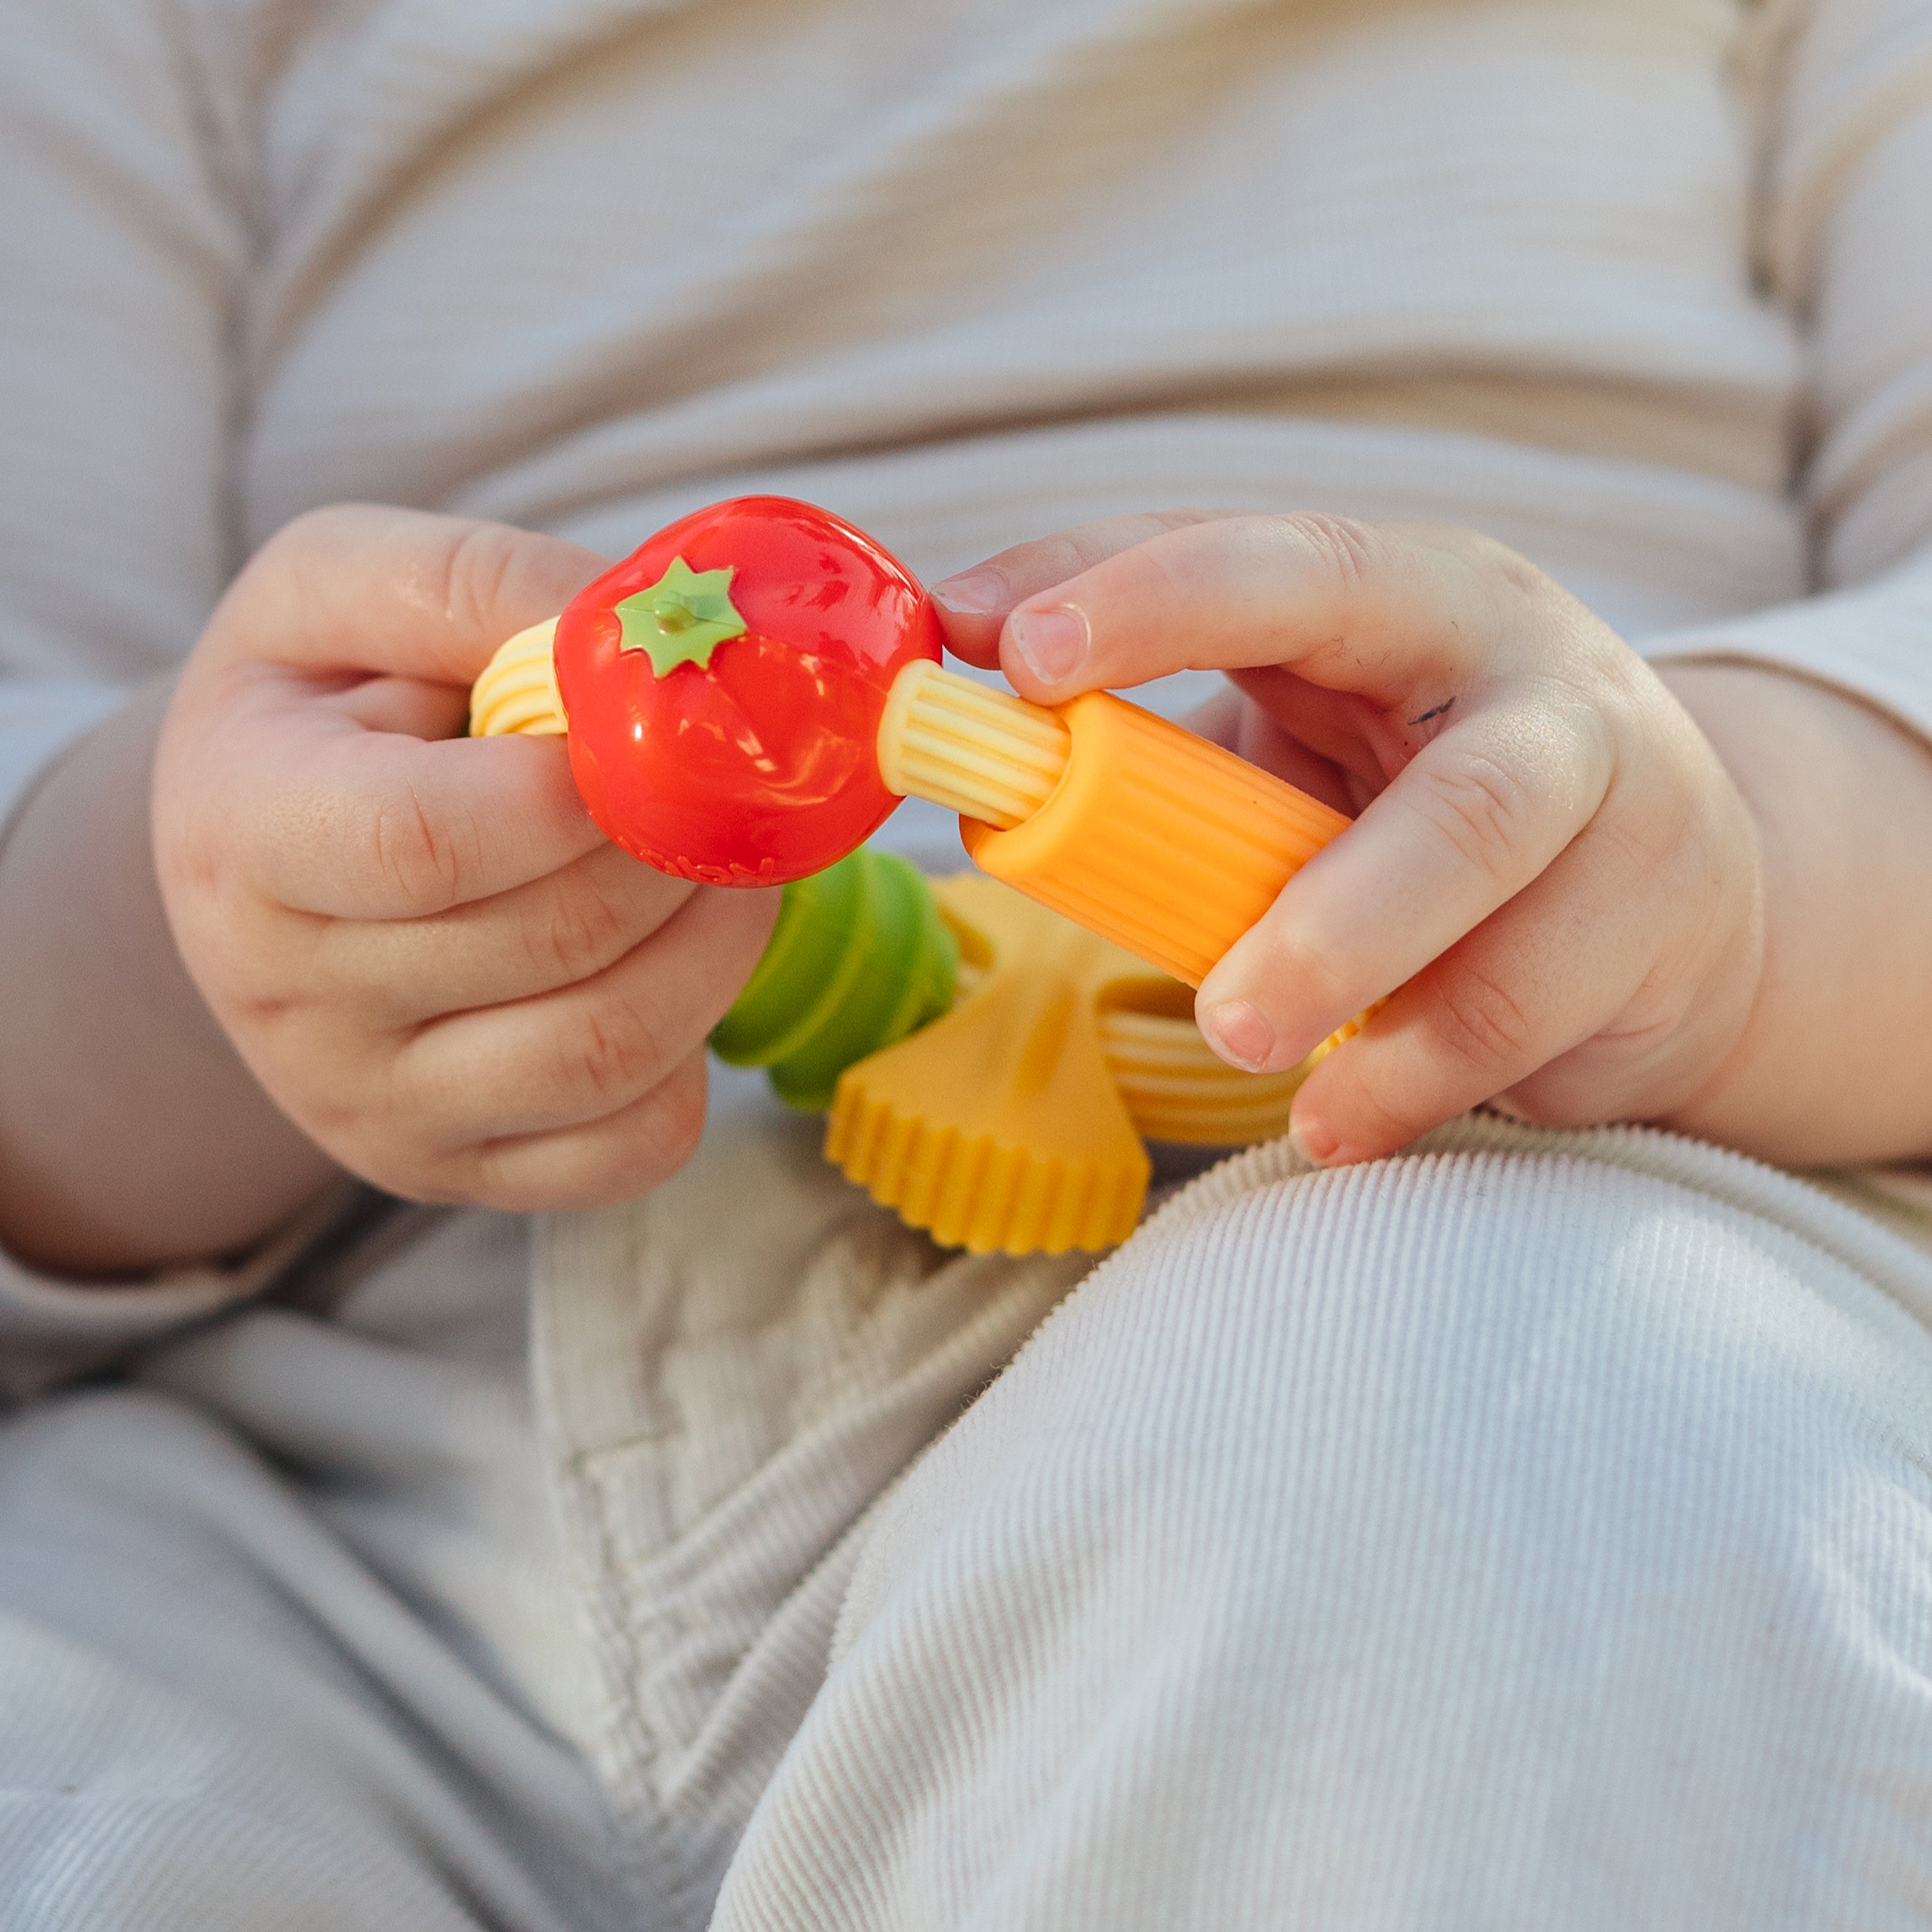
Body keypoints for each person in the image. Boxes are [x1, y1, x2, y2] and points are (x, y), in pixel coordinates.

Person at [2, 0, 1931, 1924]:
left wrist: (1724, 873)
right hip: (354, 1450)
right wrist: (222, 923)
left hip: (1461, 1191)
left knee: (1521, 1488)